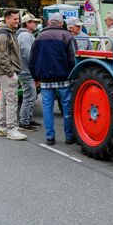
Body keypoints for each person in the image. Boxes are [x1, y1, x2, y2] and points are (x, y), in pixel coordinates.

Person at [30, 12, 77, 145]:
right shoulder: (67, 35)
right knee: (67, 107)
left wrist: (35, 77)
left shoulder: (39, 37)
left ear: (49, 23)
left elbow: (32, 59)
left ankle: (50, 137)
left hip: (45, 80)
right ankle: (69, 136)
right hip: (64, 78)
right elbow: (73, 58)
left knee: (47, 108)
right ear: (62, 23)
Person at [0, 8, 26, 141]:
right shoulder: (4, 34)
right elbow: (2, 56)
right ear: (7, 19)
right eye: (15, 19)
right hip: (7, 73)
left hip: (5, 72)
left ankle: (2, 127)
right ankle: (12, 129)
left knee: (4, 100)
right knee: (12, 101)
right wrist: (11, 73)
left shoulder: (8, 33)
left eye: (18, 19)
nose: (18, 21)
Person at [17, 13, 41, 131]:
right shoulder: (26, 36)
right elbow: (28, 54)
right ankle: (24, 122)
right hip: (27, 71)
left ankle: (29, 119)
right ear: (27, 23)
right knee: (29, 96)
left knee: (31, 95)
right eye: (33, 22)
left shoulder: (24, 35)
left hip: (25, 70)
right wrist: (34, 68)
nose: (35, 24)